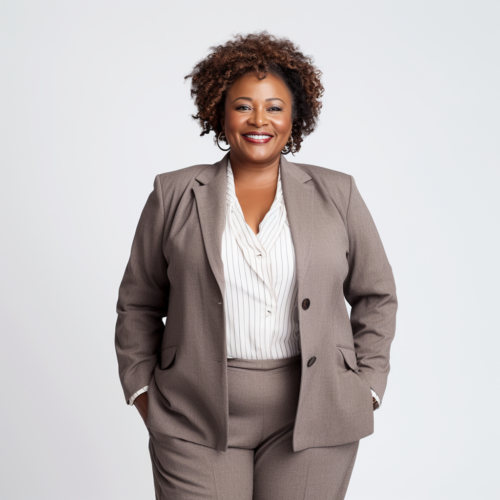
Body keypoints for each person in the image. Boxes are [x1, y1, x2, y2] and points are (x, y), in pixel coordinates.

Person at [115, 31, 398, 500]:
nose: (258, 120)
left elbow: (377, 295)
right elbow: (138, 302)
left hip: (315, 413)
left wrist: (366, 386)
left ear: (294, 117)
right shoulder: (173, 194)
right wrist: (144, 394)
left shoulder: (338, 193)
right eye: (243, 105)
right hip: (192, 413)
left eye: (274, 107)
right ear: (220, 113)